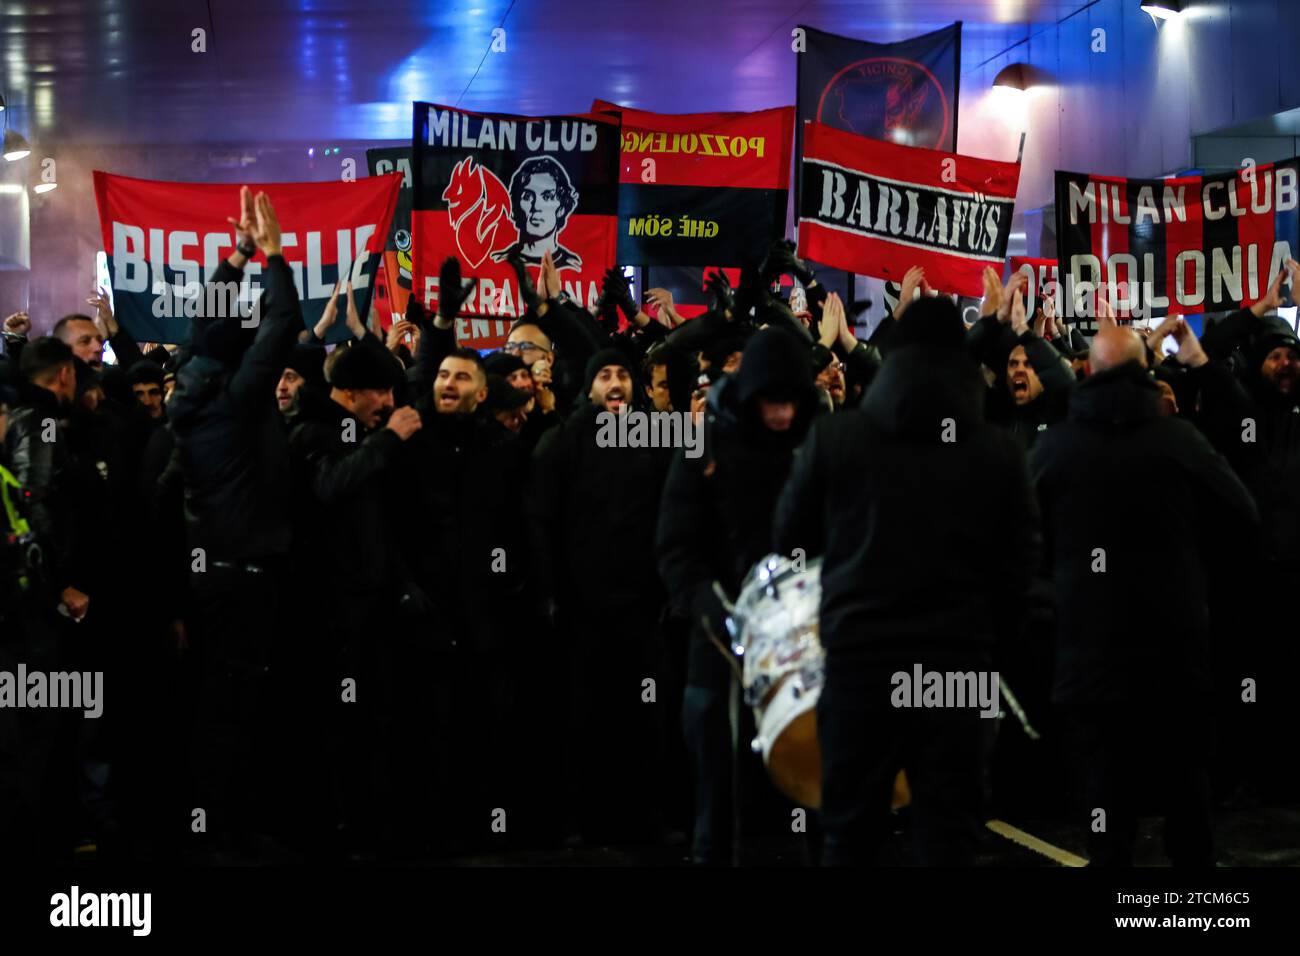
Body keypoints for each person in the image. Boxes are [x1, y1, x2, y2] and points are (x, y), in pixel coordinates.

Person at [774, 297, 1040, 865]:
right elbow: (1018, 572)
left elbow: (790, 545)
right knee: (951, 833)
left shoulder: (837, 438)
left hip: (859, 664)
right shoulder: (998, 452)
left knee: (850, 832)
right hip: (958, 667)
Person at [1030, 326, 1260, 865]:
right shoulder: (1179, 441)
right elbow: (1242, 515)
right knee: (1187, 801)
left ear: (1087, 370)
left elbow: (1011, 534)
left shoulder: (1056, 447)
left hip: (1089, 659)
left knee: (1106, 809)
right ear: (1147, 371)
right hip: (1174, 654)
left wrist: (1055, 592)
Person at [167, 187, 303, 861]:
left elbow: (206, 327)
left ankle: (214, 827)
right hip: (244, 577)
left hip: (214, 573)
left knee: (217, 707)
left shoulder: (195, 389)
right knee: (235, 712)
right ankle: (224, 835)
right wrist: (274, 258)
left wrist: (238, 256)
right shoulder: (235, 400)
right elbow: (283, 324)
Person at [657, 327, 821, 865]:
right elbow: (677, 542)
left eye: (790, 403)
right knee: (717, 771)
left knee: (822, 770)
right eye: (771, 404)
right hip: (722, 634)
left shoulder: (819, 439)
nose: (781, 416)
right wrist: (708, 606)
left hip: (807, 631)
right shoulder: (704, 442)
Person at [529, 348, 673, 845]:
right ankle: (581, 821)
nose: (616, 383)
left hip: (641, 605)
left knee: (646, 714)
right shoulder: (565, 439)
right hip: (582, 608)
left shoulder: (653, 436)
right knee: (585, 714)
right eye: (604, 376)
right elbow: (540, 521)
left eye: (623, 376)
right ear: (589, 387)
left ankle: (645, 818)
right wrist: (549, 590)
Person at [287, 338, 420, 859]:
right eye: (380, 391)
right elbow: (332, 486)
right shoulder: (316, 431)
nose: (388, 401)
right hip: (329, 611)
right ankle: (336, 829)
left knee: (369, 720)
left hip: (365, 605)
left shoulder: (353, 430)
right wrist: (386, 441)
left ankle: (365, 821)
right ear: (349, 393)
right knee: (340, 724)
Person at [491, 156, 582, 269]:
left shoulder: (573, 266)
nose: (536, 206)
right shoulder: (497, 263)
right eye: (528, 196)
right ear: (514, 206)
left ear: (562, 209)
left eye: (547, 197)